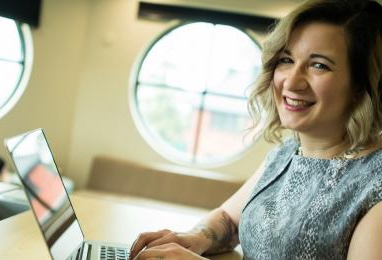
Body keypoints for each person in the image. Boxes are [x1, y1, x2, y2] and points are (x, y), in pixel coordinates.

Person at [130, 0, 382, 259]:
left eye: (319, 65)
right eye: (286, 60)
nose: (291, 81)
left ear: (363, 84)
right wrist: (194, 239)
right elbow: (229, 220)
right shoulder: (286, 154)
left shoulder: (376, 183)